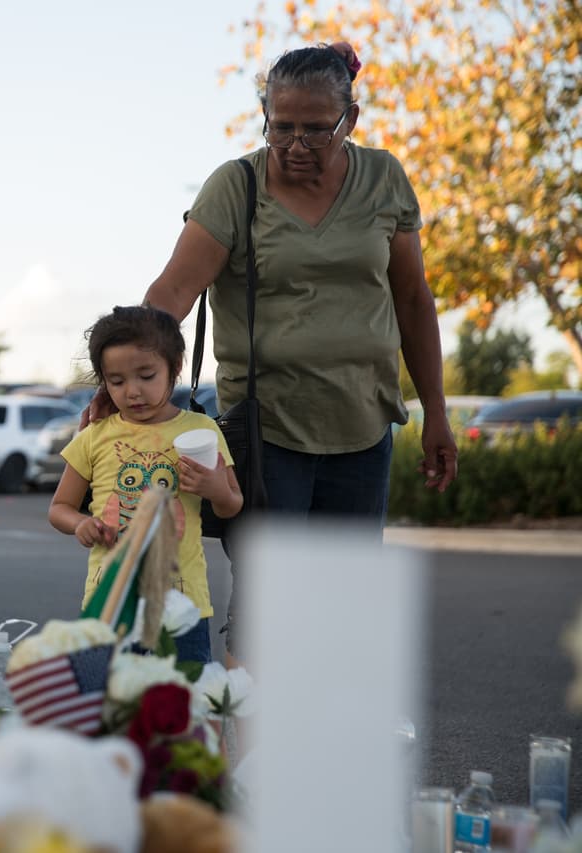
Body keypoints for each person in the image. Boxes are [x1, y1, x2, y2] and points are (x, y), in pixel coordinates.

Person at [102, 42, 457, 658]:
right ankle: (250, 743)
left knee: (342, 606)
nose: (295, 145)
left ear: (351, 119)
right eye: (281, 127)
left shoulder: (384, 178)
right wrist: (119, 382)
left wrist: (438, 412)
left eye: (317, 130)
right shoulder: (235, 187)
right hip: (266, 434)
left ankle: (320, 744)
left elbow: (413, 301)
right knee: (270, 609)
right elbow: (174, 291)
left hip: (361, 425)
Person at [50, 305, 243, 662]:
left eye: (146, 375)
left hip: (182, 605)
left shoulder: (200, 430)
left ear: (175, 367)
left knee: (182, 704)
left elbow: (232, 503)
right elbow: (59, 508)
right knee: (108, 705)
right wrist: (81, 524)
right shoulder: (96, 436)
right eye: (117, 381)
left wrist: (214, 488)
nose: (133, 392)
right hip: (109, 602)